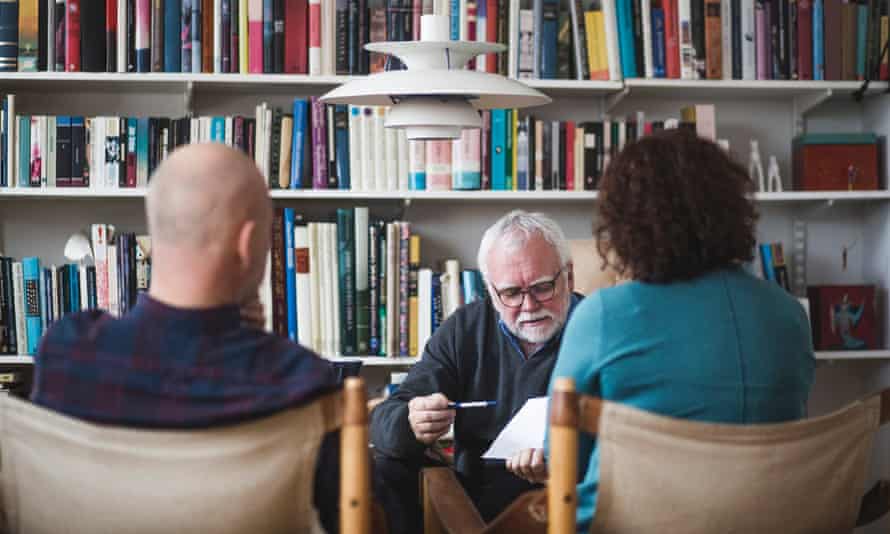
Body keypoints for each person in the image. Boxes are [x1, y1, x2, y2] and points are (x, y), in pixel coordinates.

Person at [30, 143, 342, 532]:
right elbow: (350, 520)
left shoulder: (65, 353)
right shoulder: (301, 381)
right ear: (247, 244)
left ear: (156, 232)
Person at [551, 129, 815, 533]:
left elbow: (563, 462)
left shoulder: (604, 314)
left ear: (625, 223)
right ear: (731, 210)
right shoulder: (788, 313)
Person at [370, 210, 582, 532]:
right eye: (511, 293)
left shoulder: (598, 327)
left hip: (572, 500)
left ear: (569, 277)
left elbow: (630, 437)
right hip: (476, 503)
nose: (528, 306)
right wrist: (412, 421)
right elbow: (386, 419)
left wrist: (565, 462)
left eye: (541, 287)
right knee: (387, 467)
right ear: (490, 290)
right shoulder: (466, 328)